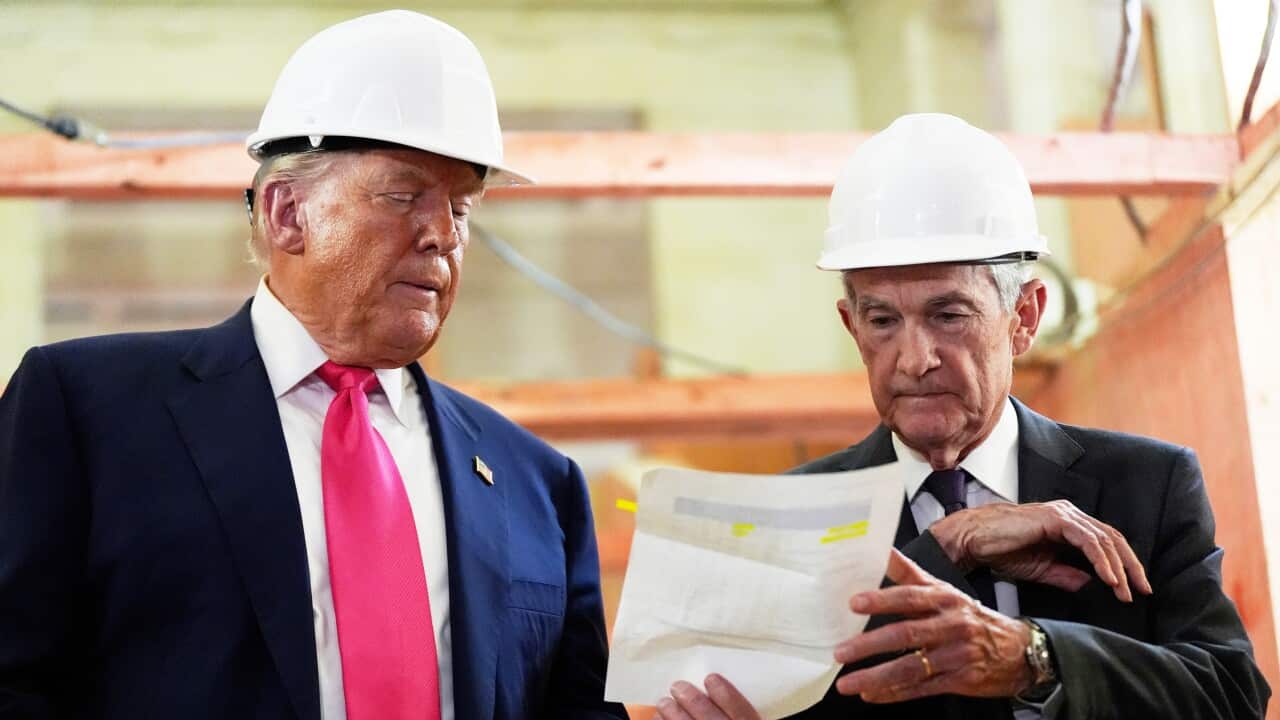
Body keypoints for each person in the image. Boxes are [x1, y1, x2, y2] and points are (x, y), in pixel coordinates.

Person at [0, 11, 626, 720]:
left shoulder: (537, 484)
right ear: (287, 213)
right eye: (403, 196)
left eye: (461, 208)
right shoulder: (87, 415)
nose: (441, 236)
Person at [655, 113, 1269, 719]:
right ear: (852, 326)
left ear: (1024, 317)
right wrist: (950, 544)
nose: (914, 360)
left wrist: (1036, 657)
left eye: (948, 316)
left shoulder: (1145, 486)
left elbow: (1232, 695)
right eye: (882, 321)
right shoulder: (789, 521)